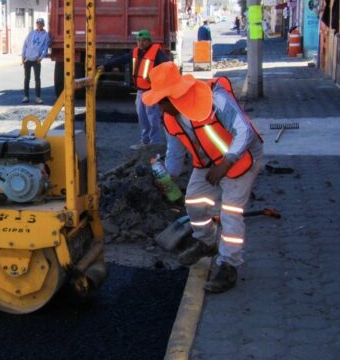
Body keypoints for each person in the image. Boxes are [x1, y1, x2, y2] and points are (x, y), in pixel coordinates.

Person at [142, 62, 263, 293]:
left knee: (231, 212)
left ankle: (229, 265)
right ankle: (206, 242)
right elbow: (175, 152)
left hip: (242, 157)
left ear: (174, 97)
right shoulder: (171, 119)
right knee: (194, 203)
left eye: (161, 101)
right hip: (209, 161)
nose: (158, 107)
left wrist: (226, 163)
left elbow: (245, 131)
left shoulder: (215, 100)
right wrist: (168, 175)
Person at [98, 29, 171, 149]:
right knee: (142, 117)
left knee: (152, 117)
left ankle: (155, 143)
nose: (140, 43)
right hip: (140, 91)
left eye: (143, 41)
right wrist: (106, 66)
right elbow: (121, 59)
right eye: (138, 40)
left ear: (149, 41)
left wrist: (154, 76)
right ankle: (145, 141)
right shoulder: (136, 52)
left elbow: (167, 66)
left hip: (152, 91)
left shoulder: (157, 52)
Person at [21, 17, 51, 104]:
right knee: (27, 78)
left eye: (41, 24)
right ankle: (26, 96)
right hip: (27, 58)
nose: (39, 25)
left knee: (37, 79)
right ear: (36, 24)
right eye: (38, 23)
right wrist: (23, 56)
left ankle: (38, 97)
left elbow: (45, 48)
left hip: (36, 60)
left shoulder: (45, 35)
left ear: (43, 25)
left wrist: (41, 58)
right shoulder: (31, 33)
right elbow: (25, 44)